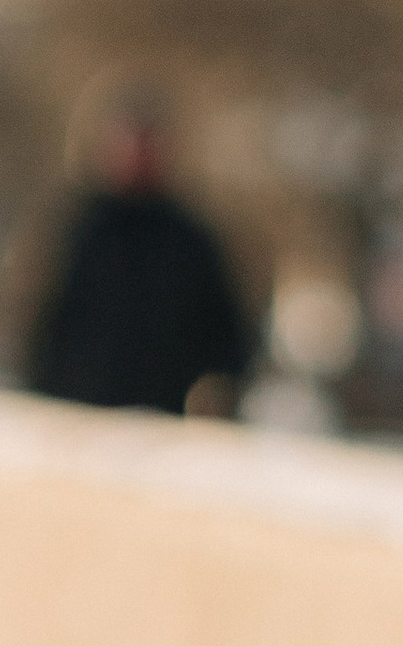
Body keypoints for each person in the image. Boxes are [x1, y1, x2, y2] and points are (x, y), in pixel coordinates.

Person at [20, 88, 251, 419]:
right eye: (130, 143)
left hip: (164, 423)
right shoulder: (78, 231)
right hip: (81, 417)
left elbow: (228, 335)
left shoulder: (191, 241)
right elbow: (41, 321)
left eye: (148, 145)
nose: (139, 156)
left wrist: (216, 388)